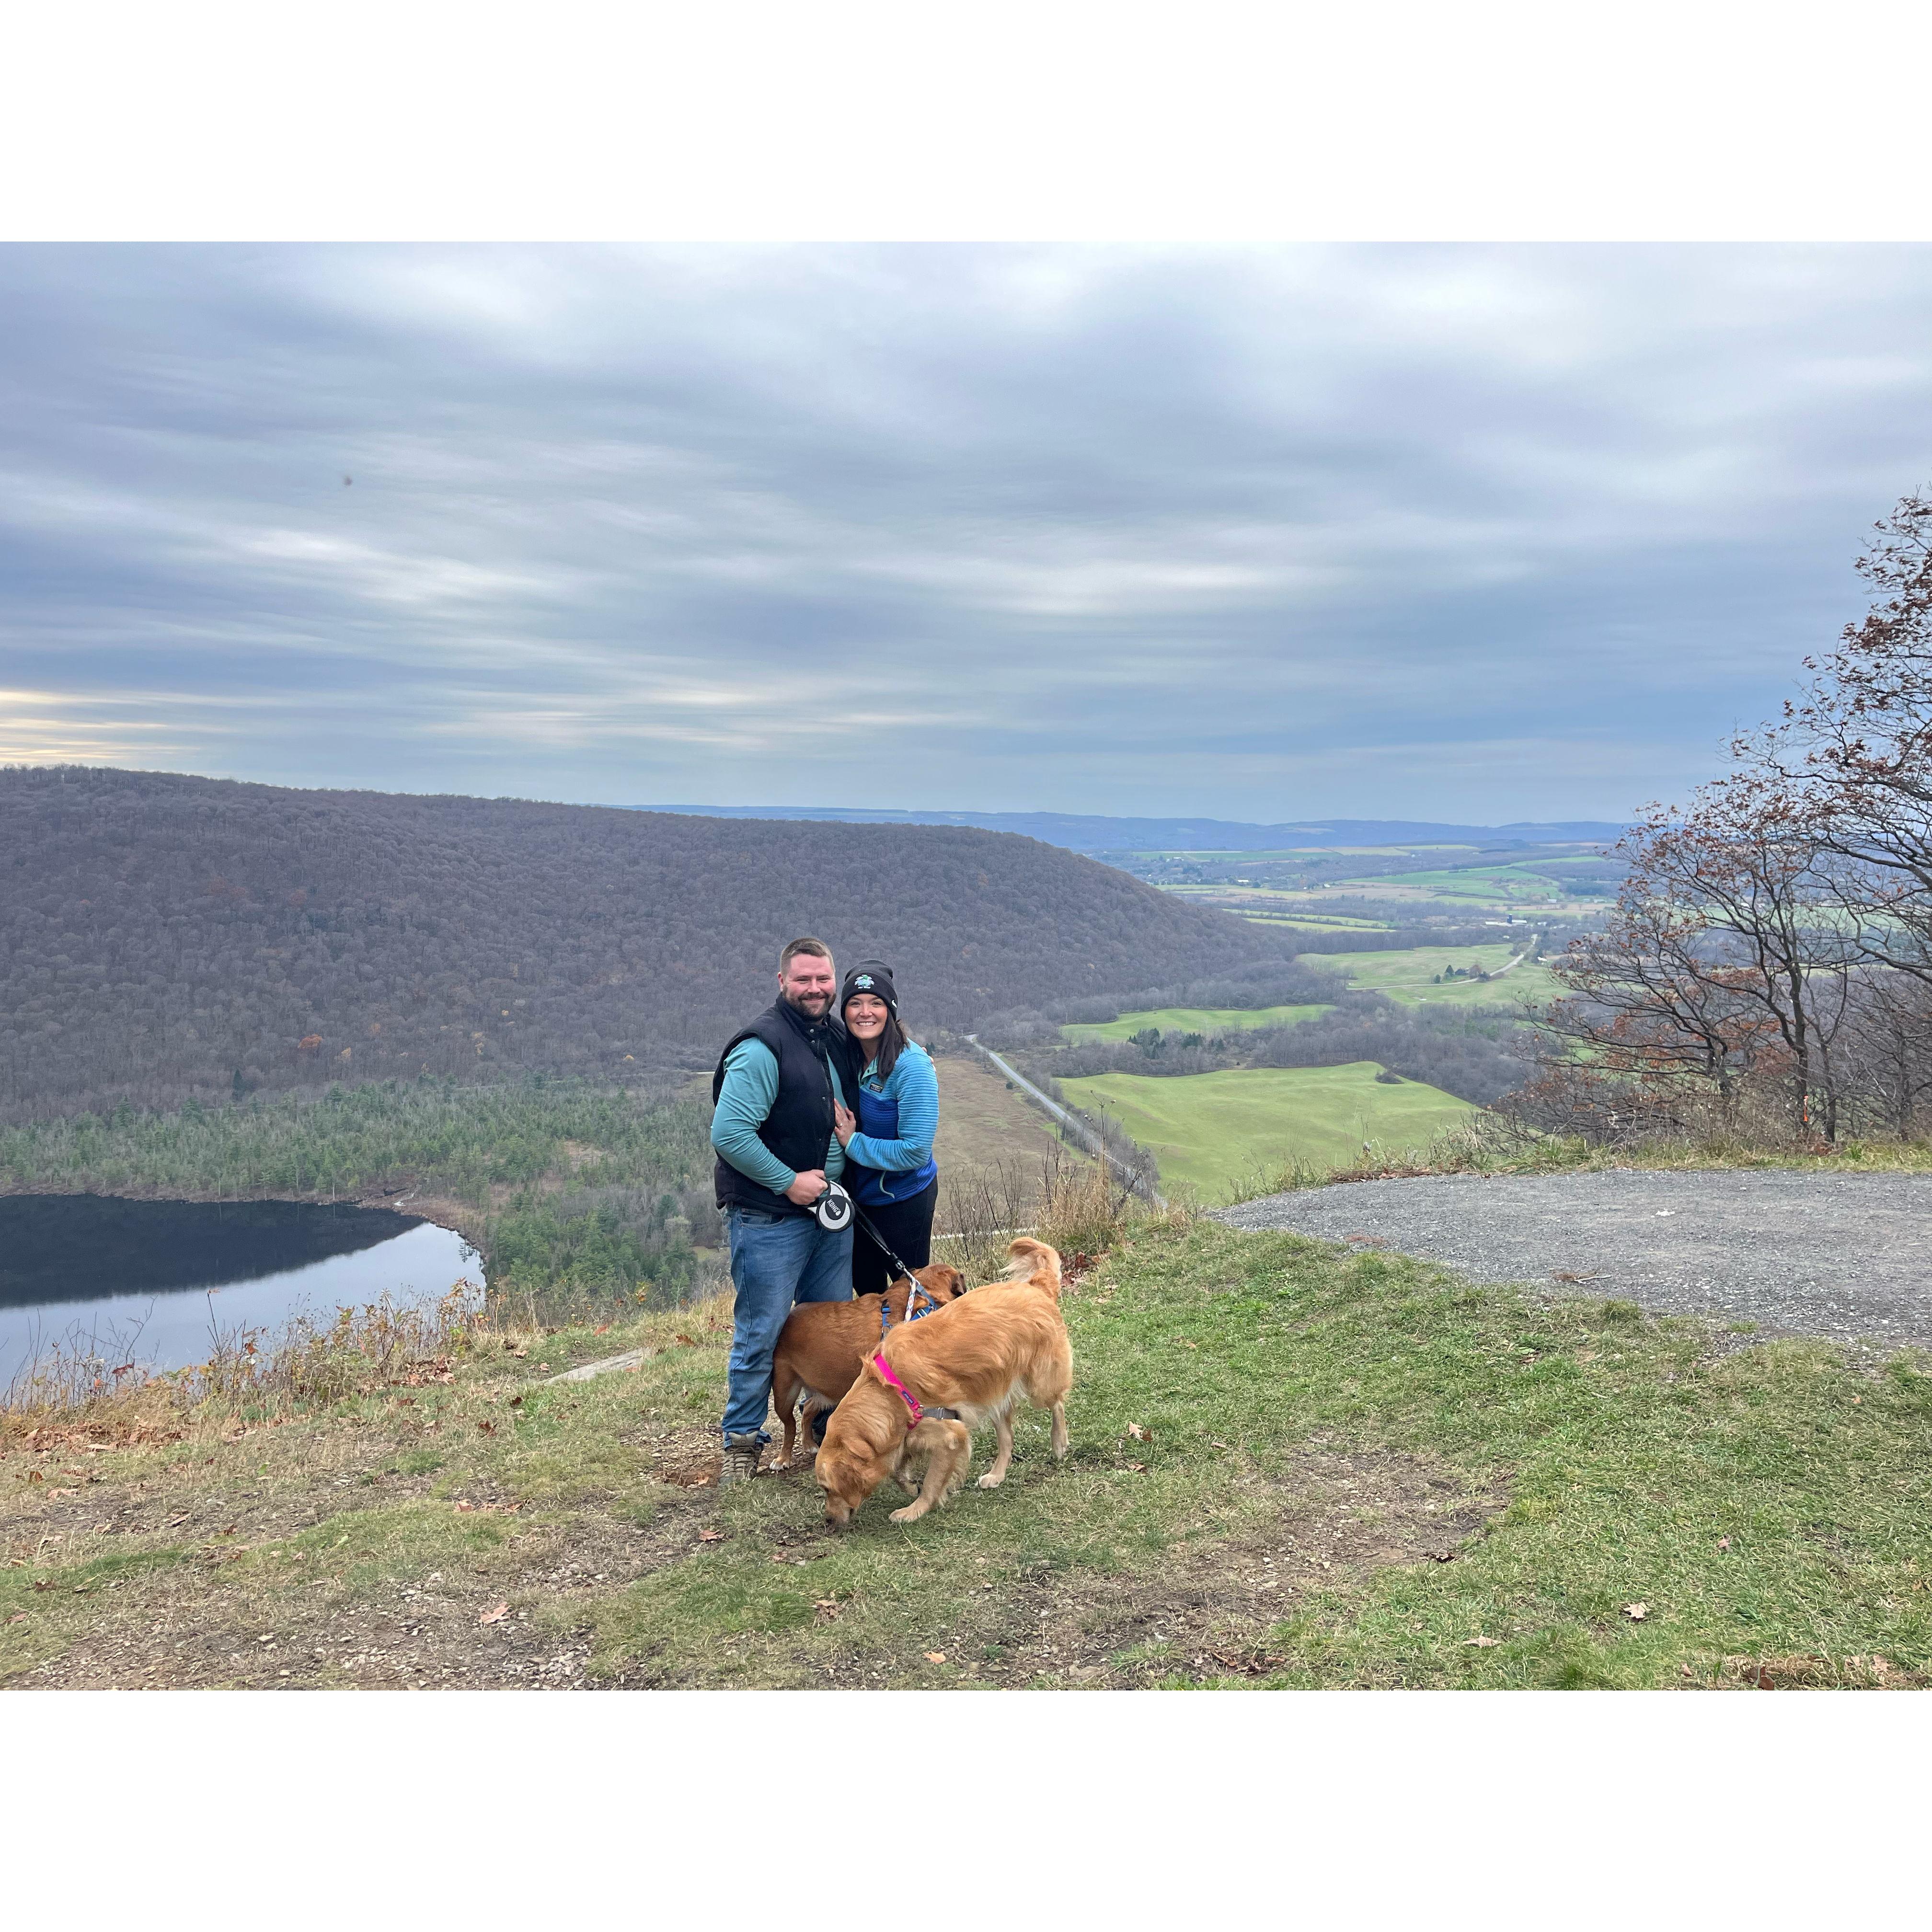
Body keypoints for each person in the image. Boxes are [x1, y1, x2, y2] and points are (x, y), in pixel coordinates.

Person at [709, 937, 854, 1485]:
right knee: (761, 1332)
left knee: (829, 1335)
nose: (815, 989)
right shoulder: (762, 1048)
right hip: (770, 1220)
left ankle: (827, 1435)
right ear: (782, 982)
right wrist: (788, 1182)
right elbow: (729, 1133)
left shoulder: (831, 1035)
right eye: (803, 980)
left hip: (827, 1221)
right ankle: (742, 1444)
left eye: (823, 979)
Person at [832, 961, 941, 1299]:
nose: (865, 1013)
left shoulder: (911, 1067)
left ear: (891, 1010)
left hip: (904, 1200)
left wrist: (853, 1143)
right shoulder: (846, 1054)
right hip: (859, 1199)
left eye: (876, 1003)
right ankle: (876, 1354)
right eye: (855, 1003)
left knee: (908, 1294)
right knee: (867, 1294)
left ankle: (911, 1352)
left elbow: (915, 1151)